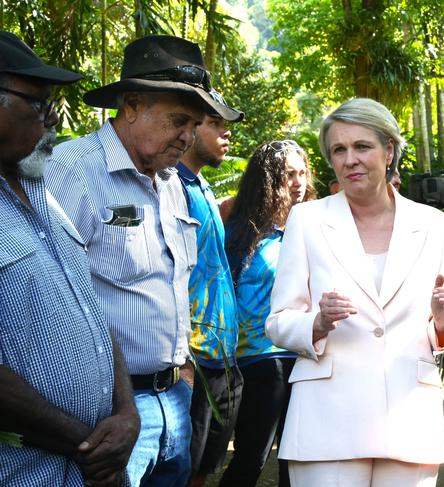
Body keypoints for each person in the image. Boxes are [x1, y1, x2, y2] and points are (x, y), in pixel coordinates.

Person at [44, 35, 223, 486]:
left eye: (196, 124)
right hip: (106, 411)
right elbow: (48, 302)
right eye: (179, 121)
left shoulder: (171, 182)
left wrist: (180, 376)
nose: (188, 137)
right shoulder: (70, 170)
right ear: (131, 105)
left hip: (173, 401)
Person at [266, 98, 444, 487]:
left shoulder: (435, 225)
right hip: (327, 421)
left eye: (362, 146)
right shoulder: (306, 220)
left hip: (409, 418)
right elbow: (278, 322)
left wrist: (442, 323)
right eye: (339, 149)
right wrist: (318, 322)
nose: (350, 159)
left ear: (389, 150)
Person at [0, 31, 139, 486]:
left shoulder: (41, 192)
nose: (53, 118)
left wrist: (126, 414)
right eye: (38, 103)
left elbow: (91, 315)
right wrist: (89, 446)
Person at [220, 140, 316, 487]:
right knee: (251, 456)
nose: (298, 181)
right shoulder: (240, 230)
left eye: (302, 172)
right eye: (289, 174)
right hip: (258, 356)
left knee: (300, 459)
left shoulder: (314, 229)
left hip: (305, 354)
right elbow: (221, 290)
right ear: (268, 180)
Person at [176, 89, 245, 487]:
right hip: (193, 356)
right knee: (181, 467)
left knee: (203, 464)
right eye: (216, 123)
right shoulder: (171, 188)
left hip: (221, 353)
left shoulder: (200, 188)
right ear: (190, 124)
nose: (226, 133)